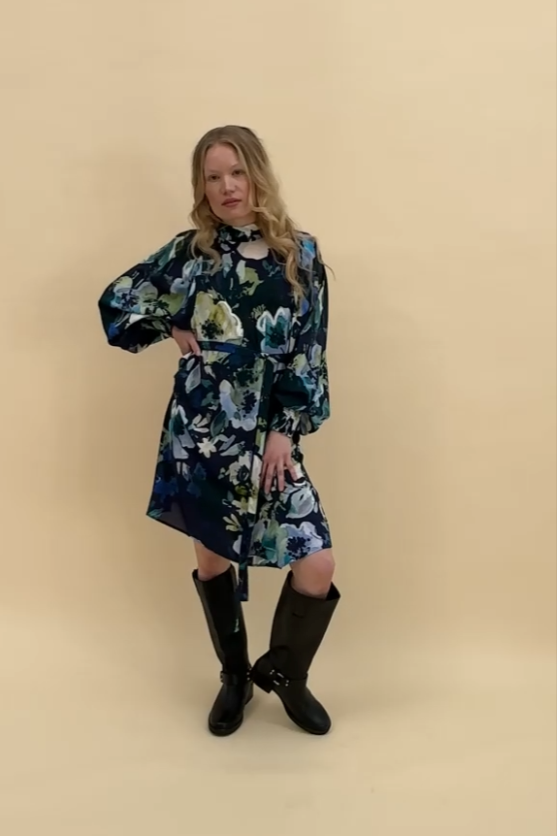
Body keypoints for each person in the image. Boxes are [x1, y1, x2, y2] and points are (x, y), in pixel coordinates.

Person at [98, 125, 340, 737]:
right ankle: (234, 677)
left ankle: (285, 675)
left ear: (258, 174)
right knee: (211, 557)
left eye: (236, 172)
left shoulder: (301, 254)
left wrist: (286, 430)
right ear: (201, 186)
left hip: (268, 432)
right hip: (202, 427)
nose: (227, 186)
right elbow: (118, 302)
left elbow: (310, 350)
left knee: (316, 561)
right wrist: (169, 325)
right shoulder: (191, 253)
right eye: (213, 176)